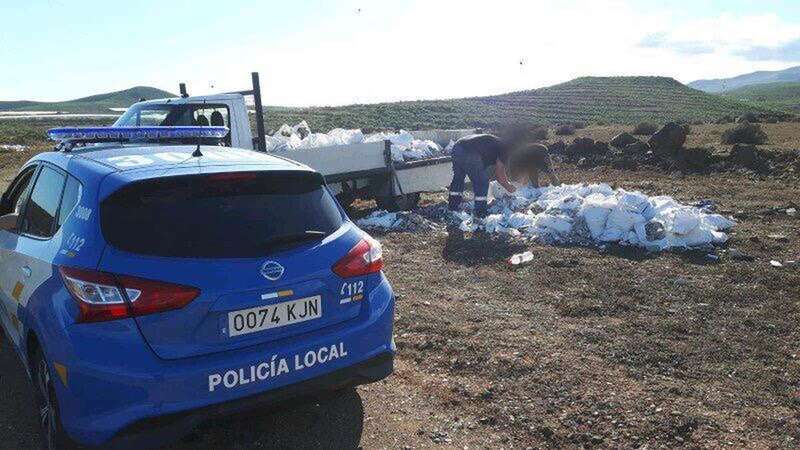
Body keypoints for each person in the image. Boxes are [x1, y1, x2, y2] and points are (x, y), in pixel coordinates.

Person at [448, 134, 517, 218]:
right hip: (470, 152)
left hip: (457, 147)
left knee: (458, 178)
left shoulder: (495, 143)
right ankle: (480, 213)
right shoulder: (505, 149)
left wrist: (488, 177)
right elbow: (500, 174)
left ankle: (453, 206)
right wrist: (508, 187)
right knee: (481, 183)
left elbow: (490, 169)